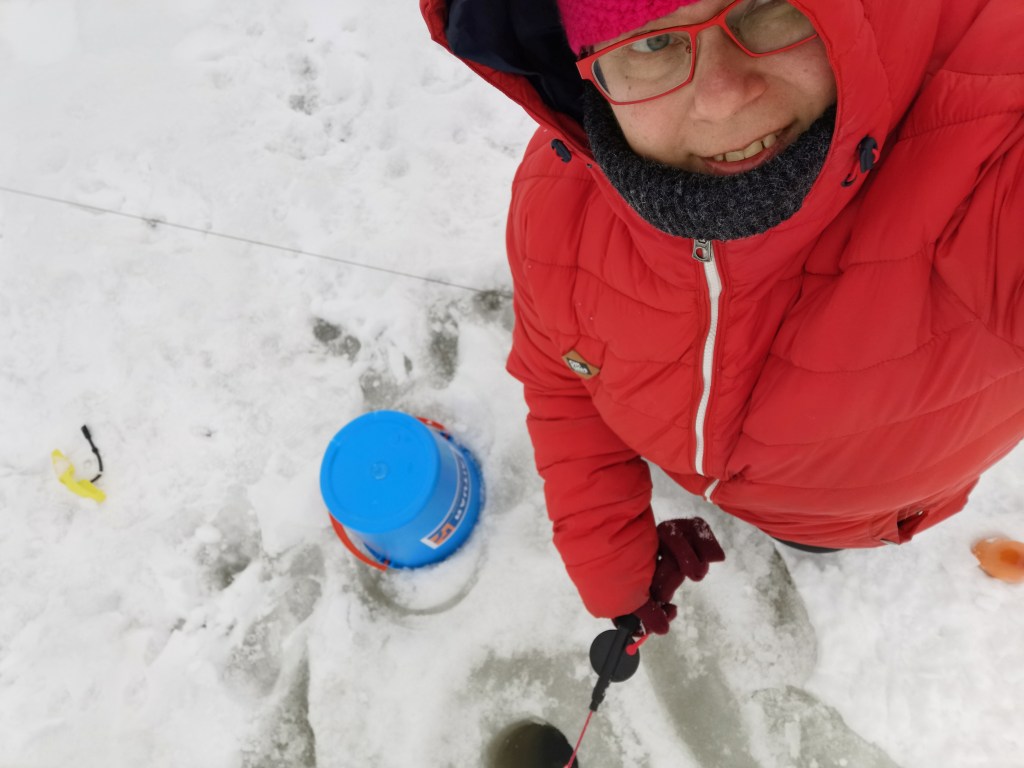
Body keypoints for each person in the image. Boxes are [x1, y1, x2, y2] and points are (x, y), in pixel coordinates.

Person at [422, 0, 1024, 634]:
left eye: (766, 7)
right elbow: (565, 375)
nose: (723, 99)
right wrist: (613, 568)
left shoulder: (987, 156)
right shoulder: (560, 197)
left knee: (816, 539)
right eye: (650, 45)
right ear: (586, 68)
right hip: (769, 499)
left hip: (845, 519)